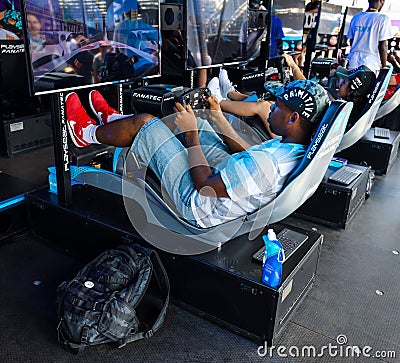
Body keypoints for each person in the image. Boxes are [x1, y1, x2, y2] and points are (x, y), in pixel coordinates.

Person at [66, 80, 328, 228]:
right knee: (201, 122)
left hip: (198, 202)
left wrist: (190, 134)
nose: (269, 107)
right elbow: (248, 152)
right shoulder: (290, 148)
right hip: (225, 178)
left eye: (277, 106)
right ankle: (115, 120)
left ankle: (87, 134)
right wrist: (214, 117)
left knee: (147, 123)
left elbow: (204, 186)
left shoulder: (269, 163)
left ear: (294, 117)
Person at [207, 54, 375, 134]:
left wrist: (294, 67)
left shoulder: (335, 106)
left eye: (345, 82)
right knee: (272, 104)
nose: (339, 82)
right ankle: (230, 94)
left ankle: (217, 102)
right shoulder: (342, 107)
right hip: (301, 132)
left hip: (295, 137)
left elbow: (309, 94)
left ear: (354, 90)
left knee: (265, 105)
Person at [346, 0, 393, 73]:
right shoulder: (383, 19)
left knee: (350, 83)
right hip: (371, 64)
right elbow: (383, 45)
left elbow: (352, 41)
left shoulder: (356, 18)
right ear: (381, 1)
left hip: (353, 62)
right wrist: (384, 66)